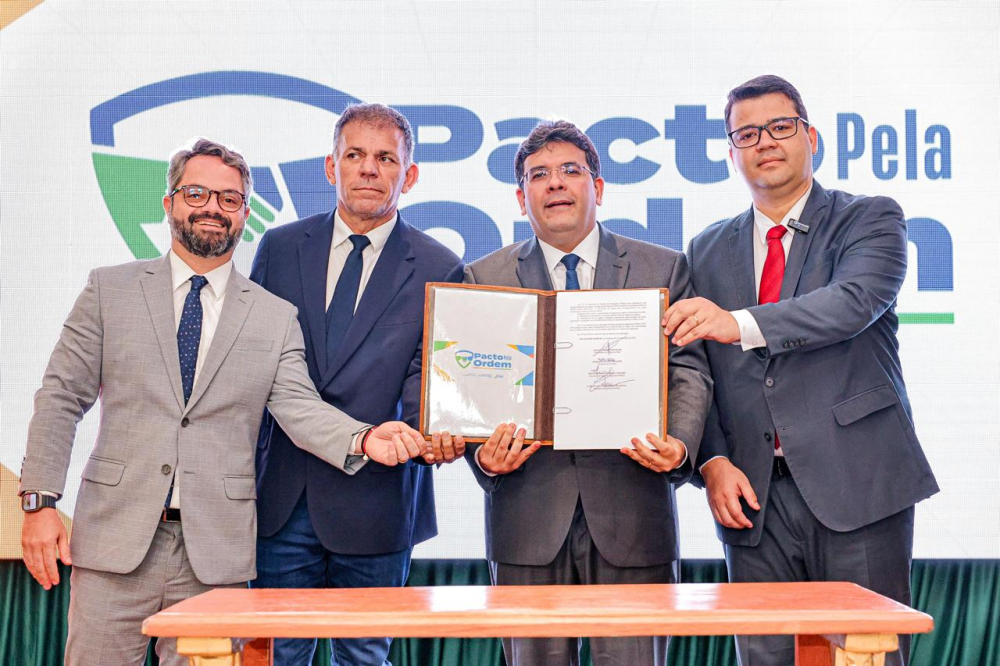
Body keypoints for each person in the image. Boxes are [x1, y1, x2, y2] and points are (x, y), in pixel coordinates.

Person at [17, 138, 427, 666]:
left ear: (245, 215)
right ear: (169, 204)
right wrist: (39, 503)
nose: (212, 207)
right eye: (197, 193)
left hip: (214, 557)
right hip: (114, 542)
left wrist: (365, 438)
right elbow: (59, 397)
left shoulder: (273, 316)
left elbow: (299, 407)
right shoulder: (108, 290)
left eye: (229, 199)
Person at [663, 75, 939, 666]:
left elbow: (852, 304)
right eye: (746, 134)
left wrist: (737, 323)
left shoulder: (869, 218)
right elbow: (695, 370)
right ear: (730, 154)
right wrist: (711, 462)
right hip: (751, 499)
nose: (764, 141)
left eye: (780, 127)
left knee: (865, 654)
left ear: (810, 139)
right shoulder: (706, 248)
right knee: (764, 655)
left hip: (857, 484)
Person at [447, 120, 712, 666]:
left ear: (599, 186)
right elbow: (473, 387)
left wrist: (681, 445)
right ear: (521, 197)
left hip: (633, 512)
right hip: (526, 520)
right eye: (538, 175)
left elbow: (689, 369)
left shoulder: (661, 267)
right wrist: (484, 458)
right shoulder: (483, 276)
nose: (555, 183)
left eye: (571, 170)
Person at [248, 103, 465, 666]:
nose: (369, 168)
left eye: (386, 158)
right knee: (276, 656)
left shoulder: (441, 266)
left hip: (379, 499)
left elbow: (430, 380)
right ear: (331, 167)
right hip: (283, 498)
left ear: (409, 176)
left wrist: (431, 433)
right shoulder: (278, 248)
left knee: (365, 657)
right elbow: (254, 364)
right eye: (355, 155)